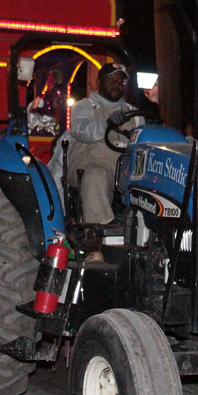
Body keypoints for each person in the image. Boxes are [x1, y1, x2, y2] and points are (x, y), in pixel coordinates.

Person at [66, 63, 140, 261]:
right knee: (95, 176)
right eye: (110, 79)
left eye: (119, 80)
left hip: (123, 170)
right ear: (99, 82)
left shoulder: (134, 113)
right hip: (89, 164)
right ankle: (94, 242)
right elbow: (81, 130)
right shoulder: (85, 106)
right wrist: (107, 123)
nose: (116, 83)